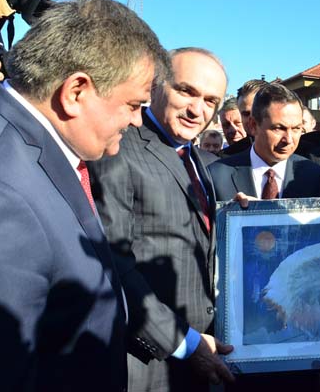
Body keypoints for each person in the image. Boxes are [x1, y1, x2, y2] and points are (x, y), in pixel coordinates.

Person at [0, 0, 168, 392]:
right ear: (76, 91)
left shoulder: (43, 149)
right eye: (133, 104)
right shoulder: (7, 190)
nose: (138, 120)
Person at [89, 47, 234, 391]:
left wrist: (236, 217)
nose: (197, 109)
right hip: (146, 362)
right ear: (155, 85)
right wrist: (183, 342)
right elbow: (113, 264)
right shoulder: (118, 148)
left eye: (210, 101)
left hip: (200, 356)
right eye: (186, 91)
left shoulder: (196, 157)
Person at [208, 83, 320, 200]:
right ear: (253, 125)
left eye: (296, 128)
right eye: (279, 128)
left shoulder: (313, 174)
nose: (288, 140)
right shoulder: (217, 175)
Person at [219, 79, 268, 157]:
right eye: (246, 114)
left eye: (256, 112)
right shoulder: (225, 159)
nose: (252, 120)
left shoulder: (289, 149)